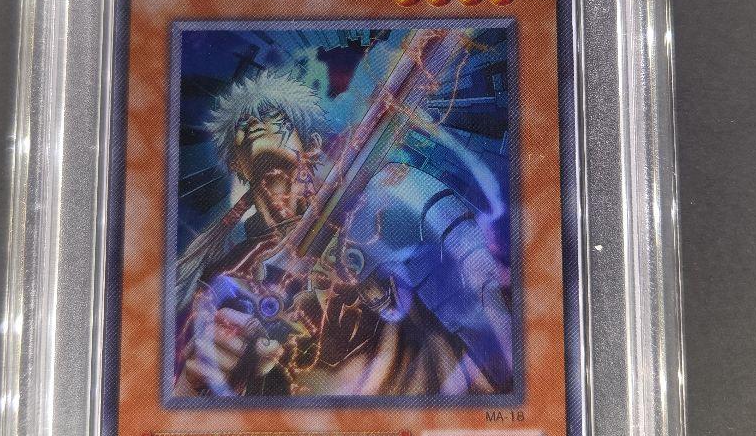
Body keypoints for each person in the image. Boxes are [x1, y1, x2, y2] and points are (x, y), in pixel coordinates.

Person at [174, 67, 514, 398]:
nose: (256, 126)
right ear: (236, 164)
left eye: (276, 119)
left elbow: (484, 309)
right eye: (244, 125)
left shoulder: (378, 204)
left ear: (310, 144)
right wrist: (197, 382)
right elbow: (192, 395)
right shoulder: (228, 269)